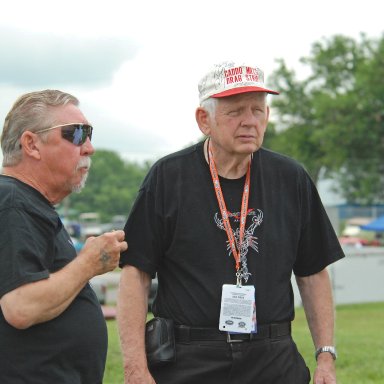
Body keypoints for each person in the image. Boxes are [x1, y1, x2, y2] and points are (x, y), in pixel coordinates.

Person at [117, 61, 344, 384]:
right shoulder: (168, 177)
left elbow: (313, 274)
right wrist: (135, 368)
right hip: (189, 358)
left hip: (272, 356)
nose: (250, 121)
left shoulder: (291, 178)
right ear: (203, 120)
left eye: (258, 109)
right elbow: (135, 274)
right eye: (235, 111)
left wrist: (325, 356)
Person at [0, 90, 127, 383]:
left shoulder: (26, 204)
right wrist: (89, 263)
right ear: (31, 144)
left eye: (90, 133)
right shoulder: (12, 202)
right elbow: (21, 306)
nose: (89, 147)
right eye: (77, 134)